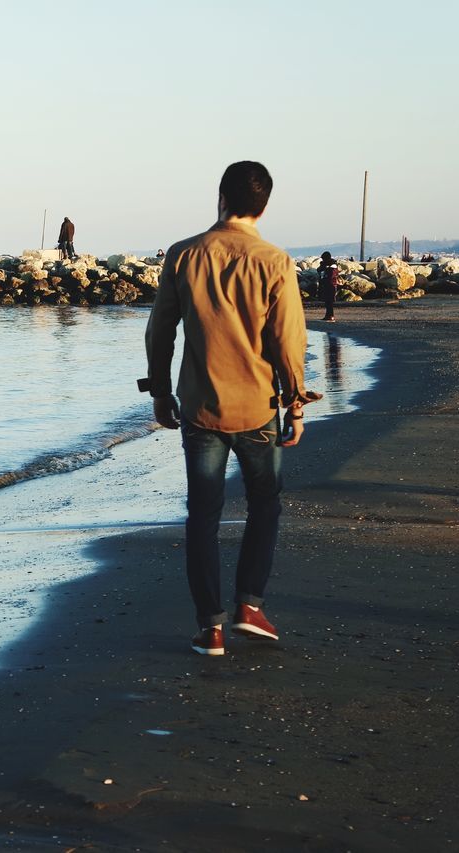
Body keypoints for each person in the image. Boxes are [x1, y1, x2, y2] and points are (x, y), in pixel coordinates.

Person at [142, 161, 322, 657]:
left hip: (200, 409)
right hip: (259, 408)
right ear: (264, 205)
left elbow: (160, 330)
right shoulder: (275, 260)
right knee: (265, 503)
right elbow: (289, 342)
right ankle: (249, 606)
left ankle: (211, 628)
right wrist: (296, 403)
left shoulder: (183, 254)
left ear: (220, 196)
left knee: (202, 514)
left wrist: (159, 390)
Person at [318, 250, 339, 322]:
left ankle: (331, 316)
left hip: (331, 285)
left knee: (329, 301)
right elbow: (319, 270)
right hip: (326, 285)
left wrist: (325, 269)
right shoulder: (326, 265)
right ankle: (328, 315)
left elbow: (331, 276)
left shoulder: (332, 265)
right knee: (327, 301)